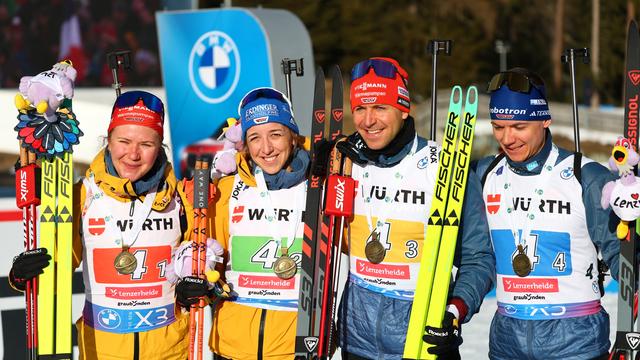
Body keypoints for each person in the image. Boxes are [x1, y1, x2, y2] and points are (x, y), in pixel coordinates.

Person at [9, 90, 200, 359]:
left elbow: (205, 261)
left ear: (160, 146)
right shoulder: (80, 196)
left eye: (146, 144)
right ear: (108, 141)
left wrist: (200, 285)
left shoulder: (180, 198)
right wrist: (24, 275)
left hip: (169, 349)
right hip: (101, 349)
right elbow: (56, 270)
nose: (133, 154)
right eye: (124, 141)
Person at [335, 57, 495, 359]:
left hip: (423, 340)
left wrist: (454, 311)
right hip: (356, 343)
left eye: (380, 107)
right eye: (360, 109)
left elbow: (478, 256)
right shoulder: (346, 163)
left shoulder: (443, 168)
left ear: (403, 108)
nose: (368, 121)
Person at [474, 68, 619, 360]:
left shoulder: (586, 176)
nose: (507, 138)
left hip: (577, 344)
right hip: (507, 343)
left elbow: (622, 253)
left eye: (519, 126)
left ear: (544, 119)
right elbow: (471, 251)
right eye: (498, 127)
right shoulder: (485, 174)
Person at [207, 87, 309, 359]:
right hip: (233, 346)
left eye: (276, 134)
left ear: (293, 136)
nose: (266, 149)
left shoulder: (318, 186)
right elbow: (210, 257)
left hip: (295, 348)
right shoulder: (228, 190)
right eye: (254, 138)